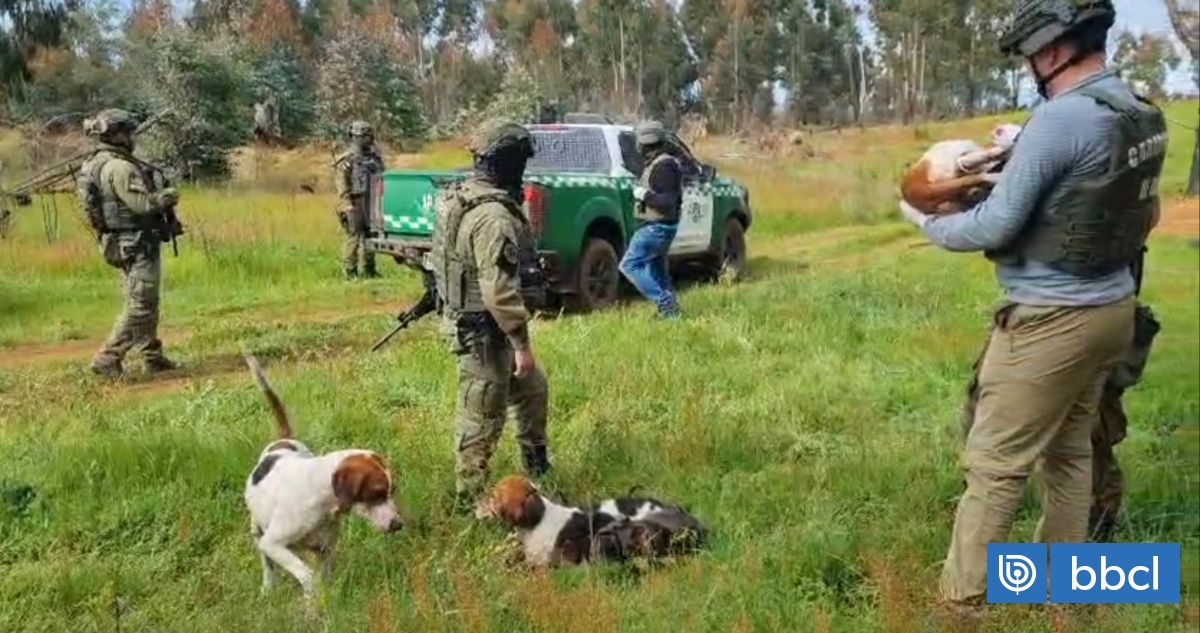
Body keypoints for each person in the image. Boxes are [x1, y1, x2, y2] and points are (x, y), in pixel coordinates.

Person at [895, 0, 1168, 621]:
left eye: (1029, 57)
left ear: (1050, 52)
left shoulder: (1061, 119)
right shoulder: (1137, 112)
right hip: (1113, 308)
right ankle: (1070, 601)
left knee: (994, 468)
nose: (1029, 68)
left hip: (1053, 319)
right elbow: (1127, 204)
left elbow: (994, 223)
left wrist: (920, 220)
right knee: (1070, 454)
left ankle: (961, 608)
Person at [427, 119, 552, 511]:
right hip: (484, 331)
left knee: (532, 390)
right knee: (481, 411)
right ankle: (468, 497)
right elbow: (498, 290)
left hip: (482, 323)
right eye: (521, 162)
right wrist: (521, 345)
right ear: (509, 163)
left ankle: (538, 465)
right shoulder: (492, 217)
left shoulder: (460, 197)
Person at [78, 108, 182, 377]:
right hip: (137, 242)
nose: (132, 136)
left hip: (120, 241)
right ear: (119, 135)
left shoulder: (95, 163)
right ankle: (108, 357)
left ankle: (152, 354)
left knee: (144, 300)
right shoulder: (120, 167)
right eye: (128, 131)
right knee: (141, 305)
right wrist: (168, 196)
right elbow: (143, 205)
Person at [619, 120, 684, 319]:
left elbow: (667, 201)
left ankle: (665, 303)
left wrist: (643, 194)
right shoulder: (660, 162)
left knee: (629, 265)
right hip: (660, 225)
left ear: (645, 142)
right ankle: (670, 313)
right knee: (656, 270)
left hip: (657, 227)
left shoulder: (663, 166)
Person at [333, 120, 385, 280]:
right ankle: (350, 271)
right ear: (356, 137)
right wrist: (346, 203)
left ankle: (369, 269)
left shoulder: (375, 158)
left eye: (370, 136)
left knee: (371, 236)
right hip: (354, 202)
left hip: (372, 200)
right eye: (366, 136)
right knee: (354, 237)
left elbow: (383, 177)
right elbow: (341, 182)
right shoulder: (347, 159)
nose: (369, 140)